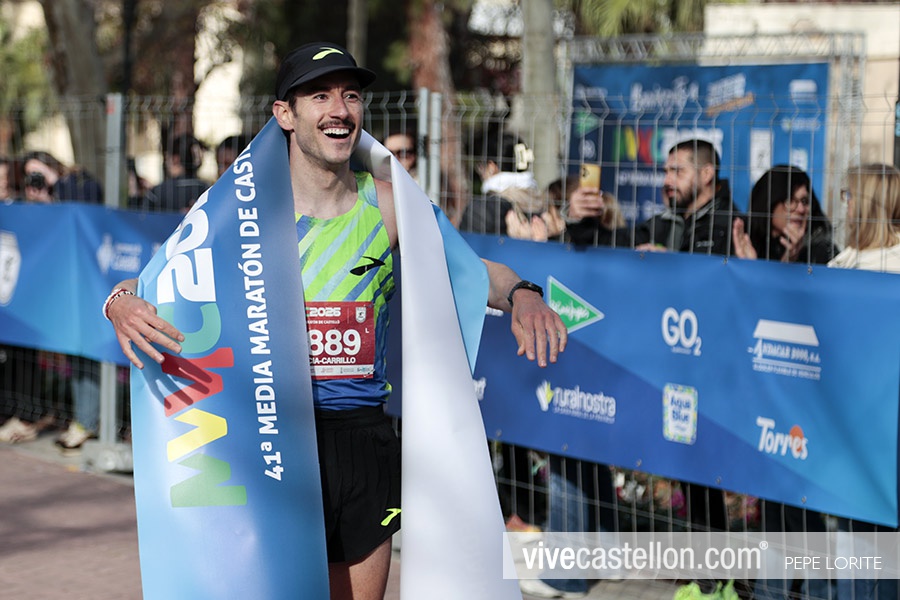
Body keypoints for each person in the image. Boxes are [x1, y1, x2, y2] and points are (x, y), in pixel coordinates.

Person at [104, 41, 567, 600]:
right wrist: (119, 303)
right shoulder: (241, 212)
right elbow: (153, 281)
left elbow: (472, 270)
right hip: (271, 440)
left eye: (350, 95)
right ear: (285, 114)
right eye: (319, 96)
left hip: (362, 440)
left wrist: (522, 294)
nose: (339, 109)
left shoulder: (391, 206)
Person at [828, 163, 900, 600]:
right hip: (850, 432)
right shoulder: (844, 261)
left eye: (850, 195)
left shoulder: (887, 264)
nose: (846, 205)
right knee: (856, 548)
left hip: (881, 436)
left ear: (869, 202)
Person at [732, 165, 837, 264]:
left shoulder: (824, 252)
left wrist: (792, 267)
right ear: (769, 203)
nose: (801, 209)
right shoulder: (744, 243)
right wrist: (749, 268)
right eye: (790, 200)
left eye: (805, 201)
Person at [460, 124, 547, 237]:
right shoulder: (544, 208)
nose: (480, 172)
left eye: (480, 166)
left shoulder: (483, 210)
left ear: (491, 167)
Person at [144, 132, 209, 212]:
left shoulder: (157, 193)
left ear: (175, 159)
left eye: (167, 158)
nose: (166, 163)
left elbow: (143, 216)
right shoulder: (206, 191)